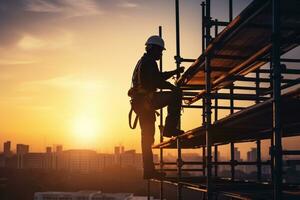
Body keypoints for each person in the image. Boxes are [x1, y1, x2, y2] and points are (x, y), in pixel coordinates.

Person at [128, 35, 185, 179]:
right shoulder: (148, 62)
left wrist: (174, 73)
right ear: (152, 49)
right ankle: (169, 128)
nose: (160, 54)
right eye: (159, 51)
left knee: (147, 139)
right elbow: (153, 82)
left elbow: (156, 77)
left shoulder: (145, 61)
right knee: (176, 95)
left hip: (142, 105)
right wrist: (171, 86)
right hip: (146, 103)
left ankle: (148, 171)